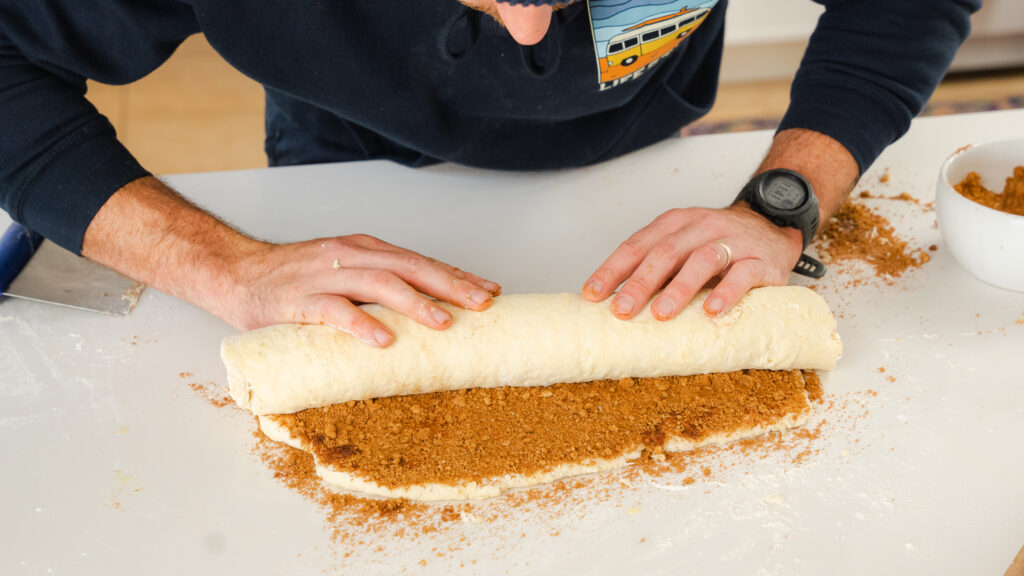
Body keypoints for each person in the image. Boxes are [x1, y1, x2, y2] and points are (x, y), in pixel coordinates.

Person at [0, 0, 978, 346]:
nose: (528, 33)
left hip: (645, 160)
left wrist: (784, 197)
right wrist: (223, 267)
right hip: (344, 167)